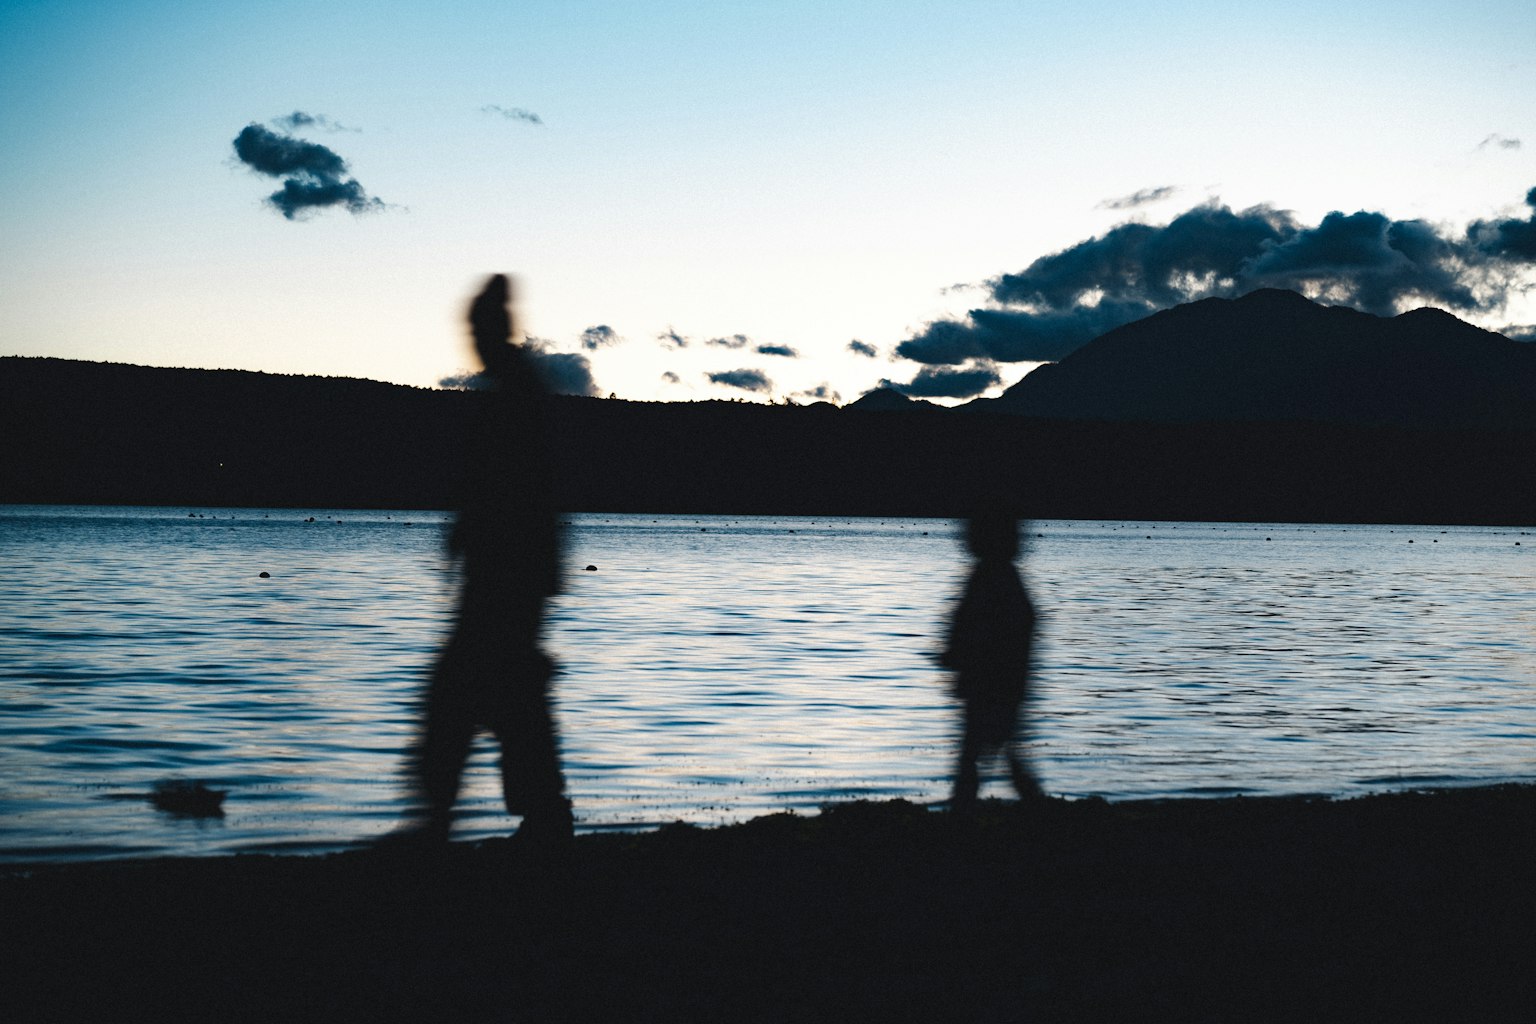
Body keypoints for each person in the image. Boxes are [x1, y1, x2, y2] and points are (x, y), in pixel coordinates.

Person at [398, 274, 572, 845]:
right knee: (507, 696)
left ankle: (443, 820)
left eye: (478, 330)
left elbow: (522, 490)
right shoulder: (519, 393)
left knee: (466, 694)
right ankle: (537, 815)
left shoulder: (516, 399)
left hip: (507, 574)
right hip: (510, 573)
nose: (473, 342)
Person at [940, 511, 1043, 813]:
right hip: (1003, 683)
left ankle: (963, 812)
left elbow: (974, 625)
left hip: (990, 684)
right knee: (1003, 752)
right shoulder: (1002, 576)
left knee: (975, 753)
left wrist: (957, 654)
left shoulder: (989, 577)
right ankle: (1038, 809)